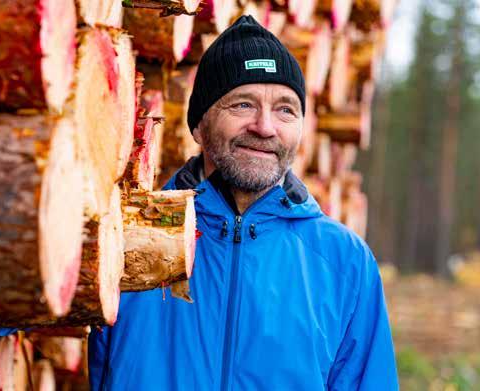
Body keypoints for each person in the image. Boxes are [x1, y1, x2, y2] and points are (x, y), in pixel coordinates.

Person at [87, 15, 399, 390]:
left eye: (286, 109)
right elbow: (7, 303)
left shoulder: (343, 261)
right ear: (200, 125)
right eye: (243, 105)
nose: (265, 127)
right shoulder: (128, 237)